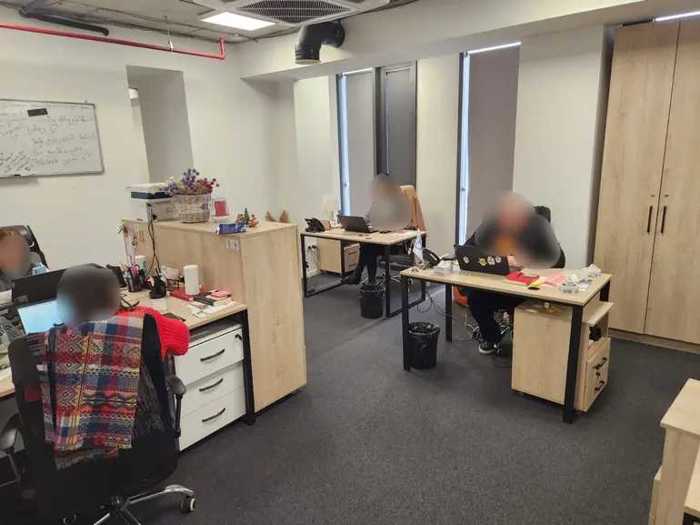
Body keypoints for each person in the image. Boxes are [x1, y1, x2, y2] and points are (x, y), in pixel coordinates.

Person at [462, 193, 565, 355]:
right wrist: (502, 259)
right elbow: (468, 251)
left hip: (527, 290)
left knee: (529, 311)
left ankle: (525, 338)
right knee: (475, 299)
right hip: (498, 286)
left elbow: (560, 261)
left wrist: (524, 259)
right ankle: (492, 337)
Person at [345, 175, 420, 285]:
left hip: (396, 244)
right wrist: (362, 223)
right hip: (380, 241)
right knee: (367, 246)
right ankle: (366, 279)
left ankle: (362, 277)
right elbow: (367, 218)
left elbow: (407, 224)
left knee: (368, 248)